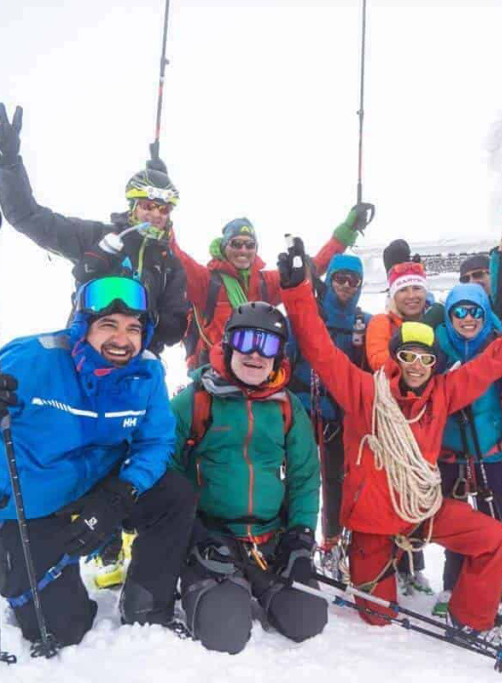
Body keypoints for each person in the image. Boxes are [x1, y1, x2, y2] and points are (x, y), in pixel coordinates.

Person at [278, 236, 502, 638]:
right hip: (372, 521)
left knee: (494, 538)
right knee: (379, 617)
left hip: (421, 512)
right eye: (408, 355)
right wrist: (298, 290)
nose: (418, 365)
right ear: (396, 358)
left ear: (434, 363)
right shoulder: (367, 393)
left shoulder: (442, 393)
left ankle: (470, 619)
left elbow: (493, 362)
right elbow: (319, 349)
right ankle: (375, 571)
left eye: (426, 358)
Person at [0, 277, 196, 648]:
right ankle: (17, 558)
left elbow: (156, 442)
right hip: (21, 506)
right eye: (108, 325)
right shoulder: (32, 361)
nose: (122, 340)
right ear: (83, 326)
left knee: (175, 494)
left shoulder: (146, 372)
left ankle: (146, 603)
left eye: (133, 328)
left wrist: (119, 496)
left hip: (93, 490)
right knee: (63, 631)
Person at [170, 302, 327, 654]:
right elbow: (163, 465)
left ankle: (263, 584)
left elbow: (305, 474)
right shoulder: (195, 400)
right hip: (213, 538)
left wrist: (301, 536)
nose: (255, 354)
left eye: (268, 345)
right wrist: (192, 529)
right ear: (227, 345)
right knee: (224, 633)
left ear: (278, 355)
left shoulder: (287, 406)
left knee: (308, 619)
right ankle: (215, 587)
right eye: (245, 341)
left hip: (270, 540)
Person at [0, 103, 188, 354]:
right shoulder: (96, 236)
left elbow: (175, 328)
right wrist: (8, 165)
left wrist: (143, 313)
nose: (155, 214)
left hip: (136, 366)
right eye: (148, 205)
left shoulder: (169, 265)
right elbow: (27, 216)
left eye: (164, 209)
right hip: (83, 355)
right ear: (133, 206)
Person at [430, 283, 502, 616]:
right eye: (459, 311)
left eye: (475, 311)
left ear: (485, 312)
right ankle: (452, 585)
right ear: (449, 314)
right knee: (453, 521)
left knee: (496, 519)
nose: (467, 319)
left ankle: (493, 585)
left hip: (488, 449)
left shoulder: (498, 340)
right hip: (448, 451)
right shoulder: (437, 344)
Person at [175, 208, 364, 369]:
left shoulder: (264, 282)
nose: (243, 250)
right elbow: (178, 260)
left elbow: (310, 268)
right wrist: (160, 213)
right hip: (215, 375)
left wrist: (345, 234)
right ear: (224, 246)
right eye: (236, 243)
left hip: (256, 370)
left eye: (250, 245)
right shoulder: (206, 282)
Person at [286, 254, 371, 573]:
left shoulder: (364, 322)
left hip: (339, 417)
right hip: (302, 410)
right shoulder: (308, 317)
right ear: (330, 279)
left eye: (354, 281)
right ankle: (295, 540)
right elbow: (287, 358)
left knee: (336, 481)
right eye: (340, 279)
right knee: (299, 478)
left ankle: (332, 544)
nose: (347, 286)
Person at [362, 259, 438, 592]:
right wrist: (415, 367)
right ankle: (391, 567)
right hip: (390, 417)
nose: (411, 296)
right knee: (392, 490)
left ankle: (413, 565)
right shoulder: (382, 322)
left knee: (415, 490)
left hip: (425, 416)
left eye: (416, 289)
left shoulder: (435, 321)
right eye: (404, 289)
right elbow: (377, 359)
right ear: (393, 295)